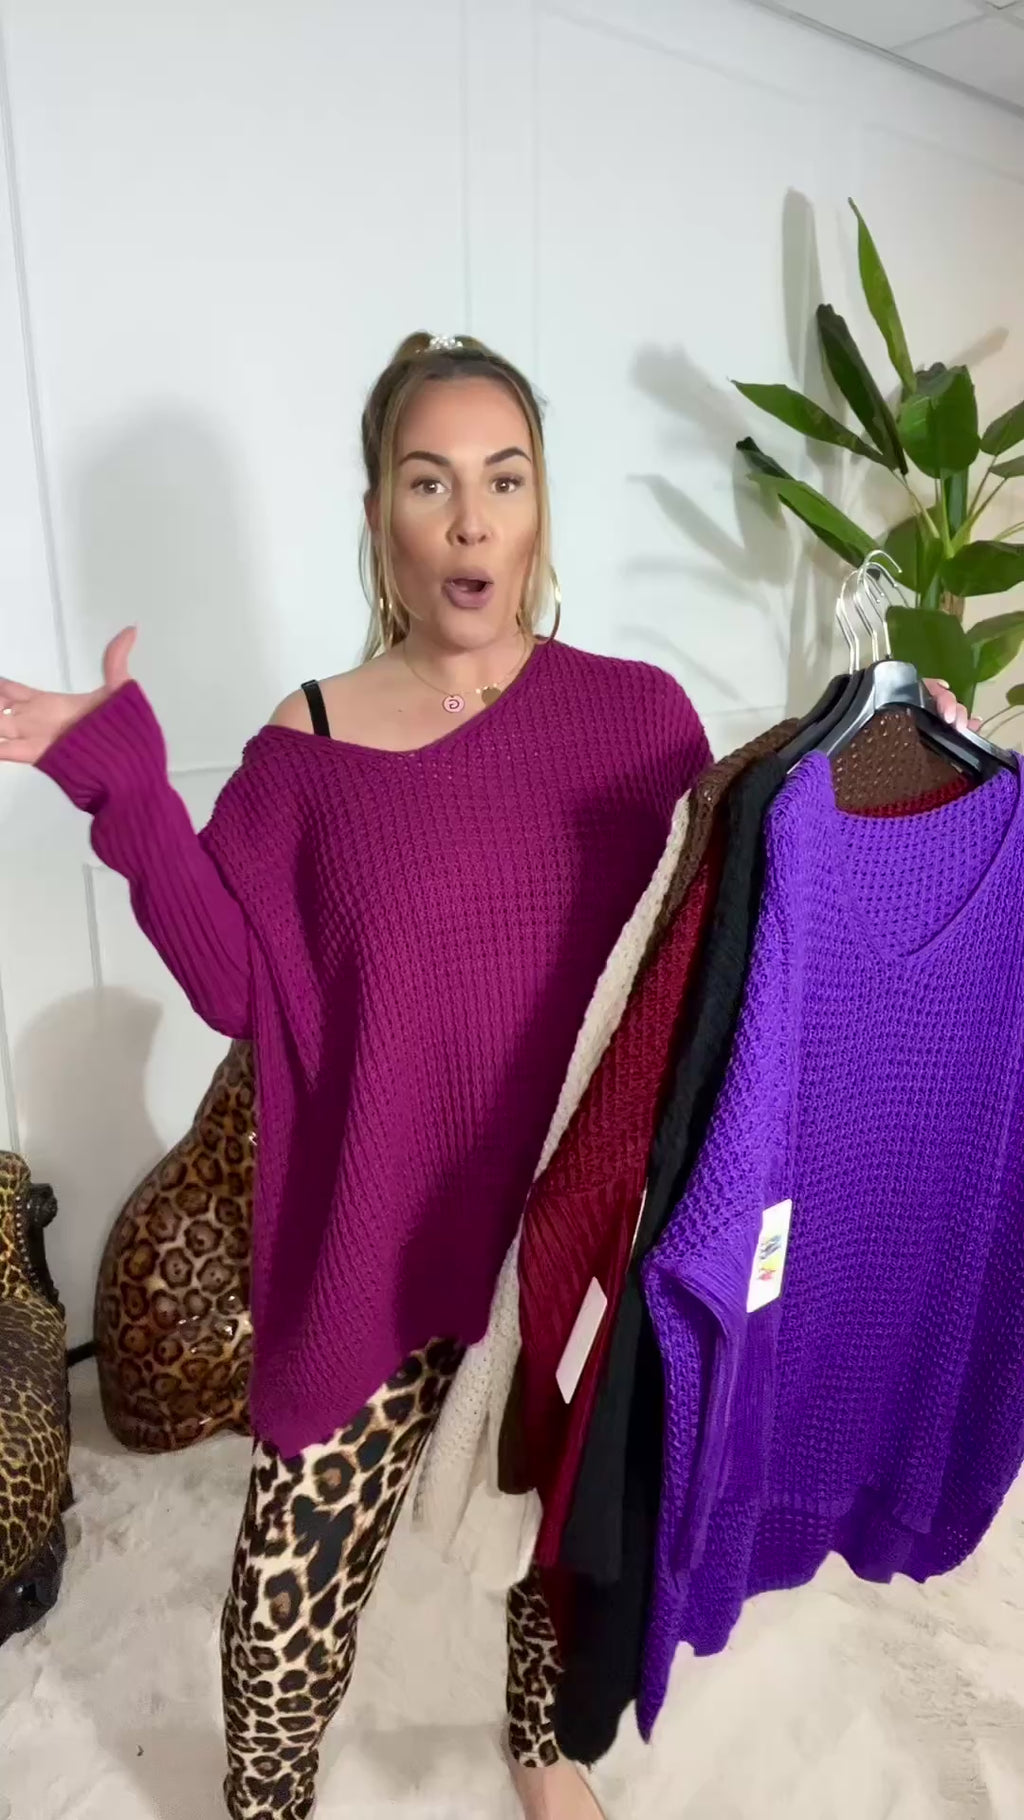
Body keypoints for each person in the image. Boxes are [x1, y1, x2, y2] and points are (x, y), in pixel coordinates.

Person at [0, 332, 971, 1820]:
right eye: (430, 482)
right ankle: (268, 1799)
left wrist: (901, 766)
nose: (470, 520)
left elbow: (741, 898)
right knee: (287, 1590)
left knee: (559, 1537)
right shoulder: (308, 746)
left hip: (569, 1237)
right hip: (377, 1248)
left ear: (539, 507)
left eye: (503, 481)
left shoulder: (636, 719)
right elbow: (235, 988)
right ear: (380, 515)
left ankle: (543, 1748)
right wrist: (119, 781)